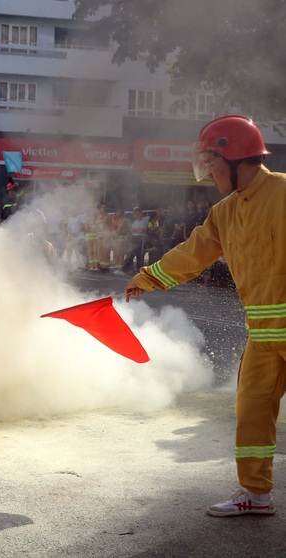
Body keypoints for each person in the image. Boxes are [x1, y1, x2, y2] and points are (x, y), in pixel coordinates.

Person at [125, 115, 285, 517]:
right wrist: (147, 278)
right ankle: (256, 494)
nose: (207, 176)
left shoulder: (284, 193)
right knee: (251, 413)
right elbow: (193, 253)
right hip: (264, 337)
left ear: (236, 159)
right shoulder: (225, 212)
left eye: (211, 165)